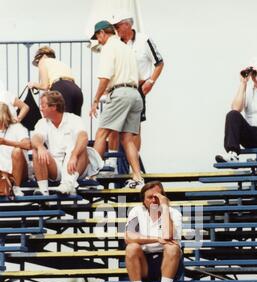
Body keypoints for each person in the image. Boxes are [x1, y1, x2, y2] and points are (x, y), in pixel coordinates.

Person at [89, 20, 144, 189]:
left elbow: (105, 76)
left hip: (120, 93)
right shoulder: (127, 48)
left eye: (98, 37)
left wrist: (96, 99)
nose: (98, 41)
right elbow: (140, 76)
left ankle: (92, 177)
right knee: (127, 139)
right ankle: (137, 176)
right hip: (136, 94)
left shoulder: (108, 48)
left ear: (102, 34)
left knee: (101, 133)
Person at [112, 12, 164, 154]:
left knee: (134, 128)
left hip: (138, 87)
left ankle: (132, 163)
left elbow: (159, 63)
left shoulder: (144, 40)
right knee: (114, 126)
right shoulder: (115, 44)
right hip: (118, 87)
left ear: (127, 25)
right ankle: (113, 162)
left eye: (117, 26)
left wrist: (151, 81)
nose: (115, 29)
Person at [31, 91, 102, 195]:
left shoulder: (74, 119)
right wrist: (40, 146)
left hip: (75, 166)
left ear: (53, 107)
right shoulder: (42, 122)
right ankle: (43, 191)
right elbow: (35, 138)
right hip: (55, 167)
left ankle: (69, 184)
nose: (40, 108)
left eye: (43, 105)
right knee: (36, 150)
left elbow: (83, 137)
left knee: (82, 149)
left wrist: (74, 155)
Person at [124, 181, 182, 282]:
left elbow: (168, 235)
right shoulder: (136, 211)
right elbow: (128, 237)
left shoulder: (174, 213)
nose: (154, 201)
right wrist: (157, 239)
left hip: (169, 263)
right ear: (143, 200)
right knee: (131, 247)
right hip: (144, 262)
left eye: (157, 197)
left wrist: (165, 207)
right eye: (150, 197)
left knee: (172, 248)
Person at [28, 46, 83, 116]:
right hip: (76, 89)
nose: (38, 63)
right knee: (75, 121)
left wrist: (33, 84)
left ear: (43, 56)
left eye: (37, 61)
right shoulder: (60, 63)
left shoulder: (43, 61)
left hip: (62, 89)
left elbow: (45, 86)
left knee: (63, 122)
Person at [0, 102, 31, 196]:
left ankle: (16, 188)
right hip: (2, 172)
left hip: (20, 171)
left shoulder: (17, 127)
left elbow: (27, 145)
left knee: (17, 151)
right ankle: (5, 181)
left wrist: (6, 142)